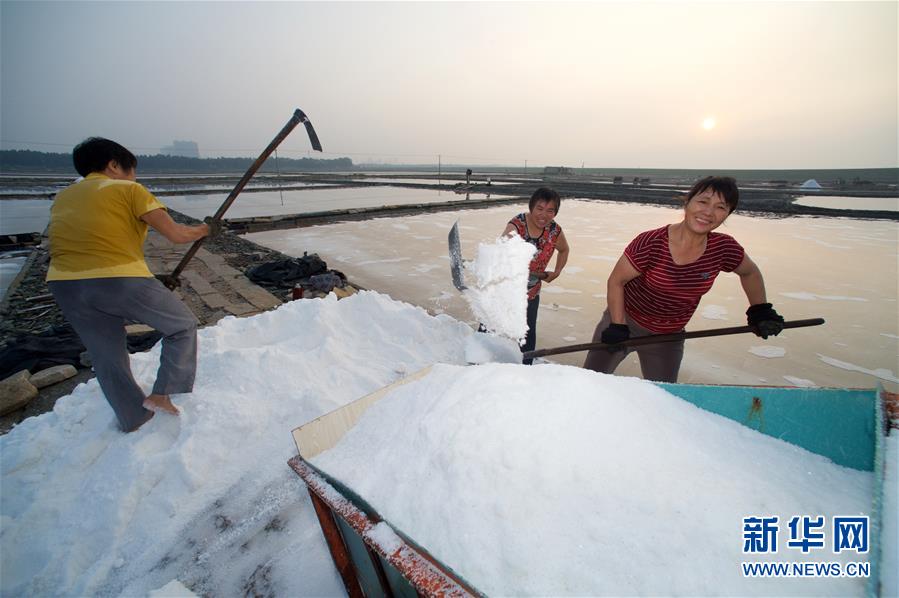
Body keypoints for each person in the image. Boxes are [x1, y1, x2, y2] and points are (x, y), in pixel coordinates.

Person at [47, 137, 213, 432]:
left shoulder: (64, 196)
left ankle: (133, 418)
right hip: (117, 278)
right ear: (113, 164)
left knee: (106, 355)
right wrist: (206, 229)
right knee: (182, 325)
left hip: (64, 284)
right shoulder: (128, 189)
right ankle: (162, 394)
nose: (134, 177)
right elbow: (175, 234)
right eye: (131, 169)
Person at [583, 176, 784, 382]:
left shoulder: (723, 248)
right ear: (687, 202)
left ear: (727, 214)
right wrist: (617, 325)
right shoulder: (651, 242)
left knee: (665, 396)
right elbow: (616, 281)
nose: (708, 212)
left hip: (668, 337)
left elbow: (749, 272)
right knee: (590, 381)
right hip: (624, 322)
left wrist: (760, 310)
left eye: (720, 207)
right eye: (703, 201)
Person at [502, 186, 570, 364]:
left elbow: (564, 250)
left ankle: (525, 370)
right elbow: (500, 253)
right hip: (505, 290)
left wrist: (557, 271)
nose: (544, 215)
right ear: (531, 207)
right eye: (539, 209)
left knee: (528, 333)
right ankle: (478, 367)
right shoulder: (517, 226)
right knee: (491, 327)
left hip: (532, 290)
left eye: (550, 211)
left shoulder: (555, 231)